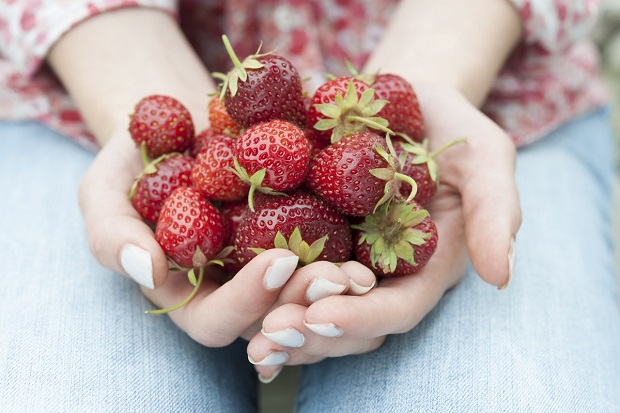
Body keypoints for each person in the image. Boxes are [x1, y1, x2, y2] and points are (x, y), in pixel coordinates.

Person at [1, 0, 619, 412]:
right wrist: (136, 95)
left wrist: (433, 82)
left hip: (504, 92)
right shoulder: (229, 156)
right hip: (79, 93)